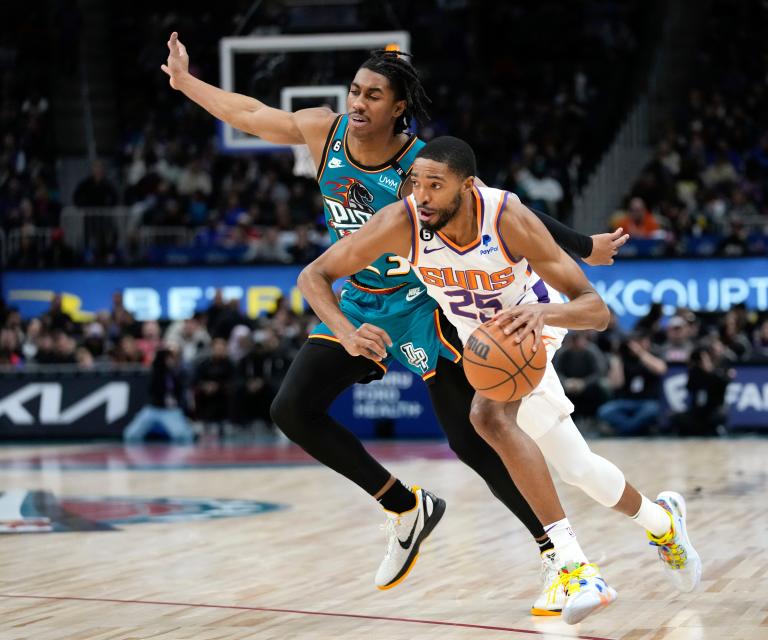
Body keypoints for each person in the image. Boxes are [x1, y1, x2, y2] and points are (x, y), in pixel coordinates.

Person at [162, 33, 629, 599]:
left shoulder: (422, 165)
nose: (358, 104)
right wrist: (187, 83)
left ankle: (559, 558)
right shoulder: (323, 130)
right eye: (355, 92)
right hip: (358, 301)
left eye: (373, 96)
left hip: (423, 305)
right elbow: (252, 114)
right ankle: (406, 507)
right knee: (292, 409)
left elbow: (509, 210)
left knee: (473, 439)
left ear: (398, 108)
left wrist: (583, 246)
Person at [300, 136, 702, 623]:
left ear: (467, 187)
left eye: (435, 185)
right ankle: (662, 521)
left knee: (486, 417)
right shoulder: (403, 222)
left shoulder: (507, 217)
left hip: (532, 327)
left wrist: (543, 312)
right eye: (415, 183)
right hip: (482, 340)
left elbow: (596, 311)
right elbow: (314, 276)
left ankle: (576, 568)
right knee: (577, 467)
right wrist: (344, 333)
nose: (421, 195)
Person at [598, 329, 666, 435]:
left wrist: (641, 353)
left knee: (652, 410)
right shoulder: (623, 357)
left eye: (642, 341)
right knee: (605, 411)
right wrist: (617, 357)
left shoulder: (654, 353)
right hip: (627, 401)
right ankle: (634, 429)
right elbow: (616, 383)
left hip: (647, 402)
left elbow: (661, 369)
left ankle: (624, 430)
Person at [123, 346, 195, 443]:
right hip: (153, 409)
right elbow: (153, 389)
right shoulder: (155, 373)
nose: (172, 361)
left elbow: (179, 391)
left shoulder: (175, 374)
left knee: (183, 436)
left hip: (170, 411)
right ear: (164, 359)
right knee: (130, 434)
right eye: (169, 358)